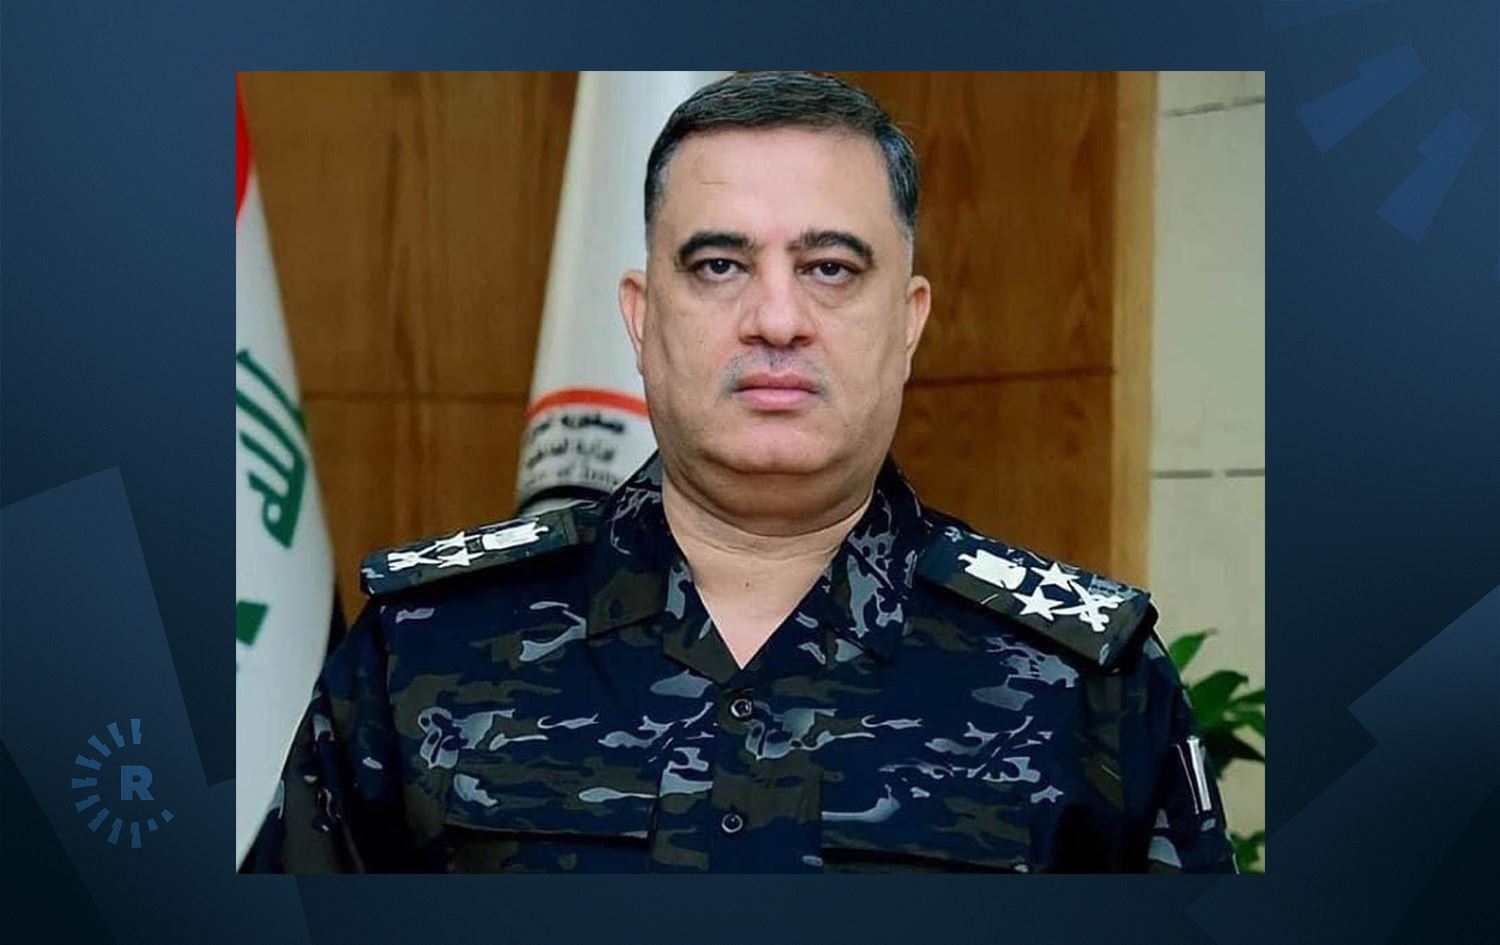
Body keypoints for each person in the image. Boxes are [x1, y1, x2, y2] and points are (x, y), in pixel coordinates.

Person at [250, 71, 1236, 873]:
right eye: (719, 265)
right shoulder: (427, 645)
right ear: (642, 317)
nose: (776, 319)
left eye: (830, 268)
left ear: (908, 323)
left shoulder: (1084, 683)